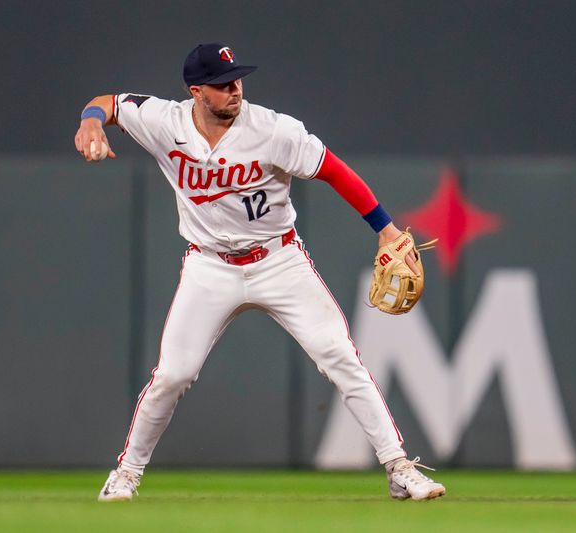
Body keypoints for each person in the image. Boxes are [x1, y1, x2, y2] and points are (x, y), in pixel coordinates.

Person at [74, 42, 445, 502]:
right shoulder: (163, 122)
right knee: (173, 374)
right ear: (196, 91)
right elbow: (107, 104)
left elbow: (335, 172)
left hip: (279, 261)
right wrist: (91, 120)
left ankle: (399, 467)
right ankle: (127, 473)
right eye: (222, 84)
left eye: (237, 80)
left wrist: (386, 230)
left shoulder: (273, 130)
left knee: (340, 355)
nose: (234, 89)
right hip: (209, 266)